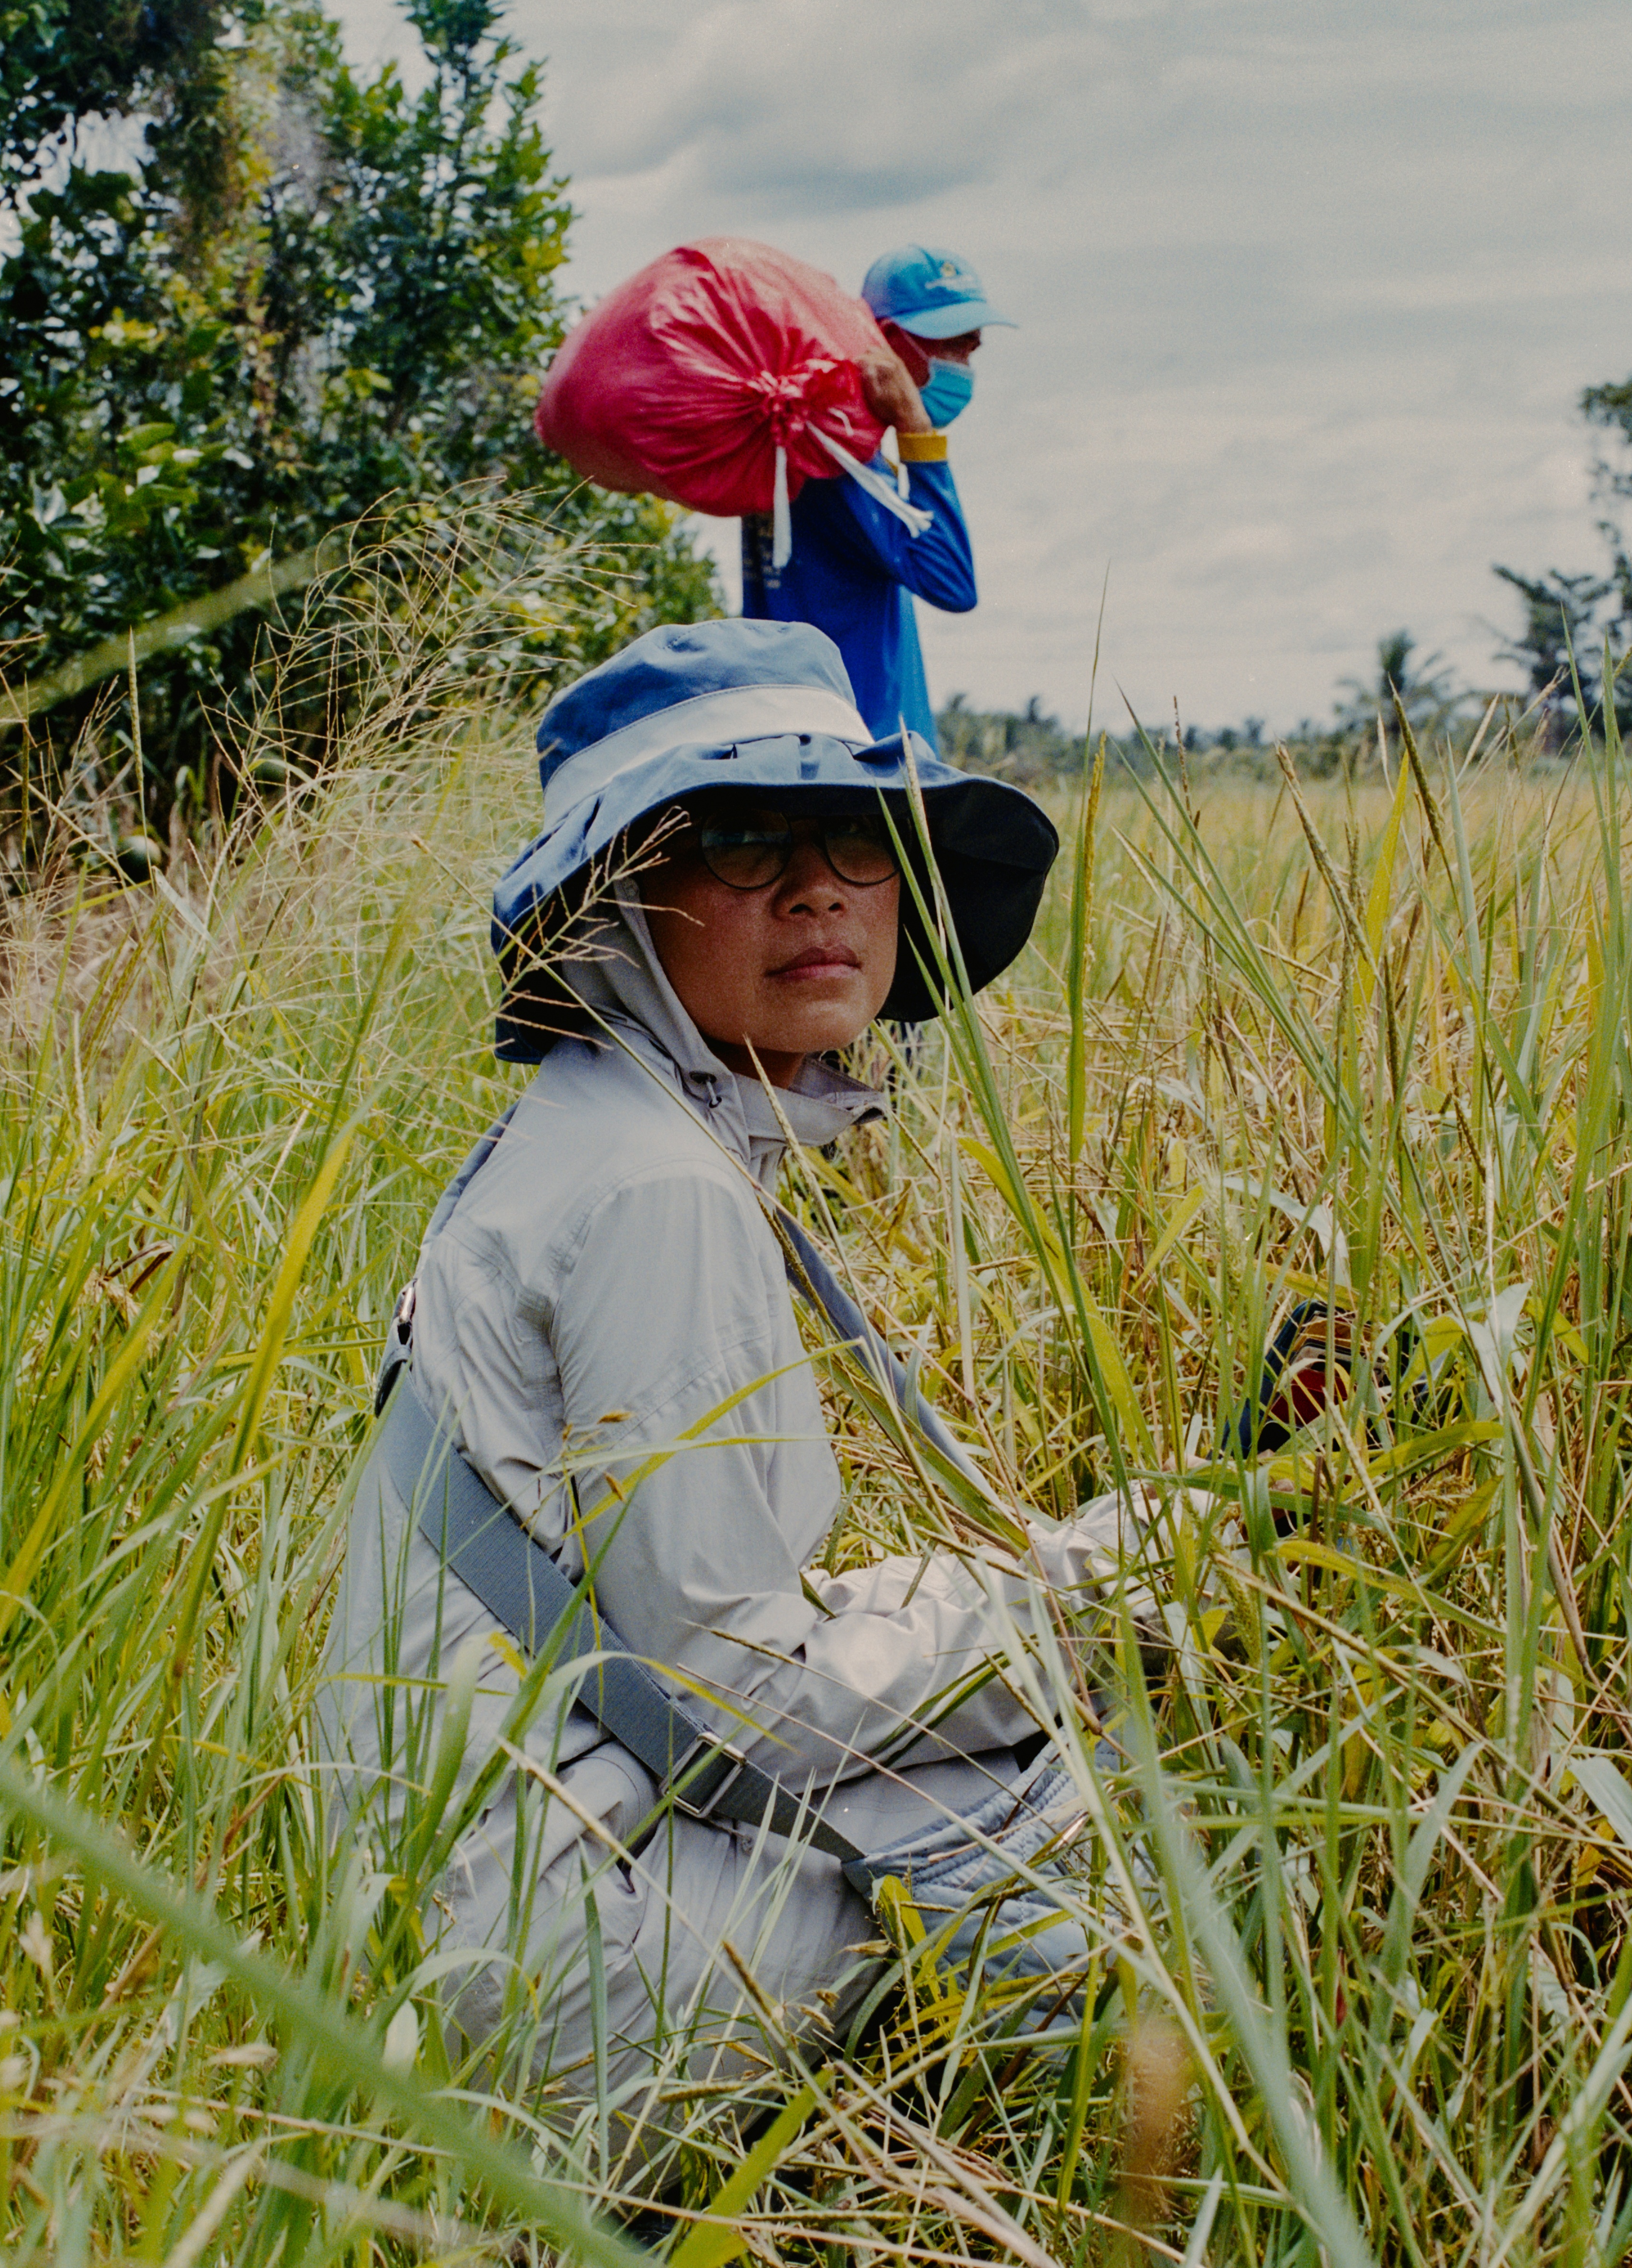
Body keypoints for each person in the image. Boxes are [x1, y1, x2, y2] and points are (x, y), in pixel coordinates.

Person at [318, 617, 1172, 2161]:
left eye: (857, 837)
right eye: (740, 838)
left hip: (464, 1922)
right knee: (1126, 1794)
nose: (820, 888)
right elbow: (741, 1699)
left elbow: (696, 1633)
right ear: (615, 897)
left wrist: (1059, 1576)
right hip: (579, 1973)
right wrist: (1119, 1589)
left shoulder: (600, 1126)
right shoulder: (660, 1186)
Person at [741, 244, 1015, 748]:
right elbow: (953, 583)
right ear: (887, 343)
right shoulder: (837, 466)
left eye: (972, 345)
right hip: (857, 756)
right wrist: (918, 431)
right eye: (952, 342)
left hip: (817, 745)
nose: (969, 356)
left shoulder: (814, 448)